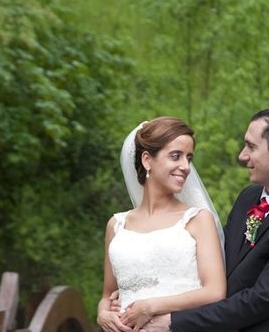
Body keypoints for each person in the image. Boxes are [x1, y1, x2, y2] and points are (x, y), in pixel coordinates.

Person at [110, 105, 269, 332]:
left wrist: (171, 321)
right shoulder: (249, 197)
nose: (242, 155)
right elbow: (210, 262)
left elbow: (259, 301)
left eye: (251, 147)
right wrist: (141, 284)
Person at [97, 117, 226, 332]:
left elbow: (215, 291)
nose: (185, 167)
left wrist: (150, 306)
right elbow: (106, 295)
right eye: (176, 156)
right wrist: (103, 313)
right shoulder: (116, 225)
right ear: (147, 160)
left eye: (189, 158)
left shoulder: (198, 219)